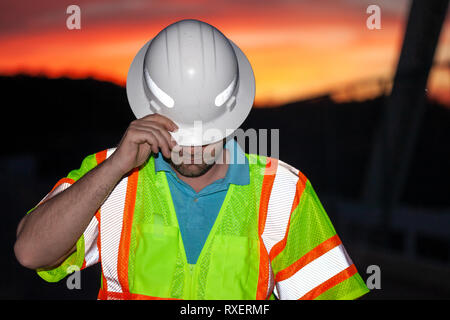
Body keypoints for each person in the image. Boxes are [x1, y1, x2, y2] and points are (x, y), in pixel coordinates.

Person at [14, 19, 369, 300]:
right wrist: (114, 169)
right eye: (181, 134)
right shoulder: (111, 177)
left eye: (206, 135)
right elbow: (31, 252)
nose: (194, 149)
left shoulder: (282, 192)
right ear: (149, 115)